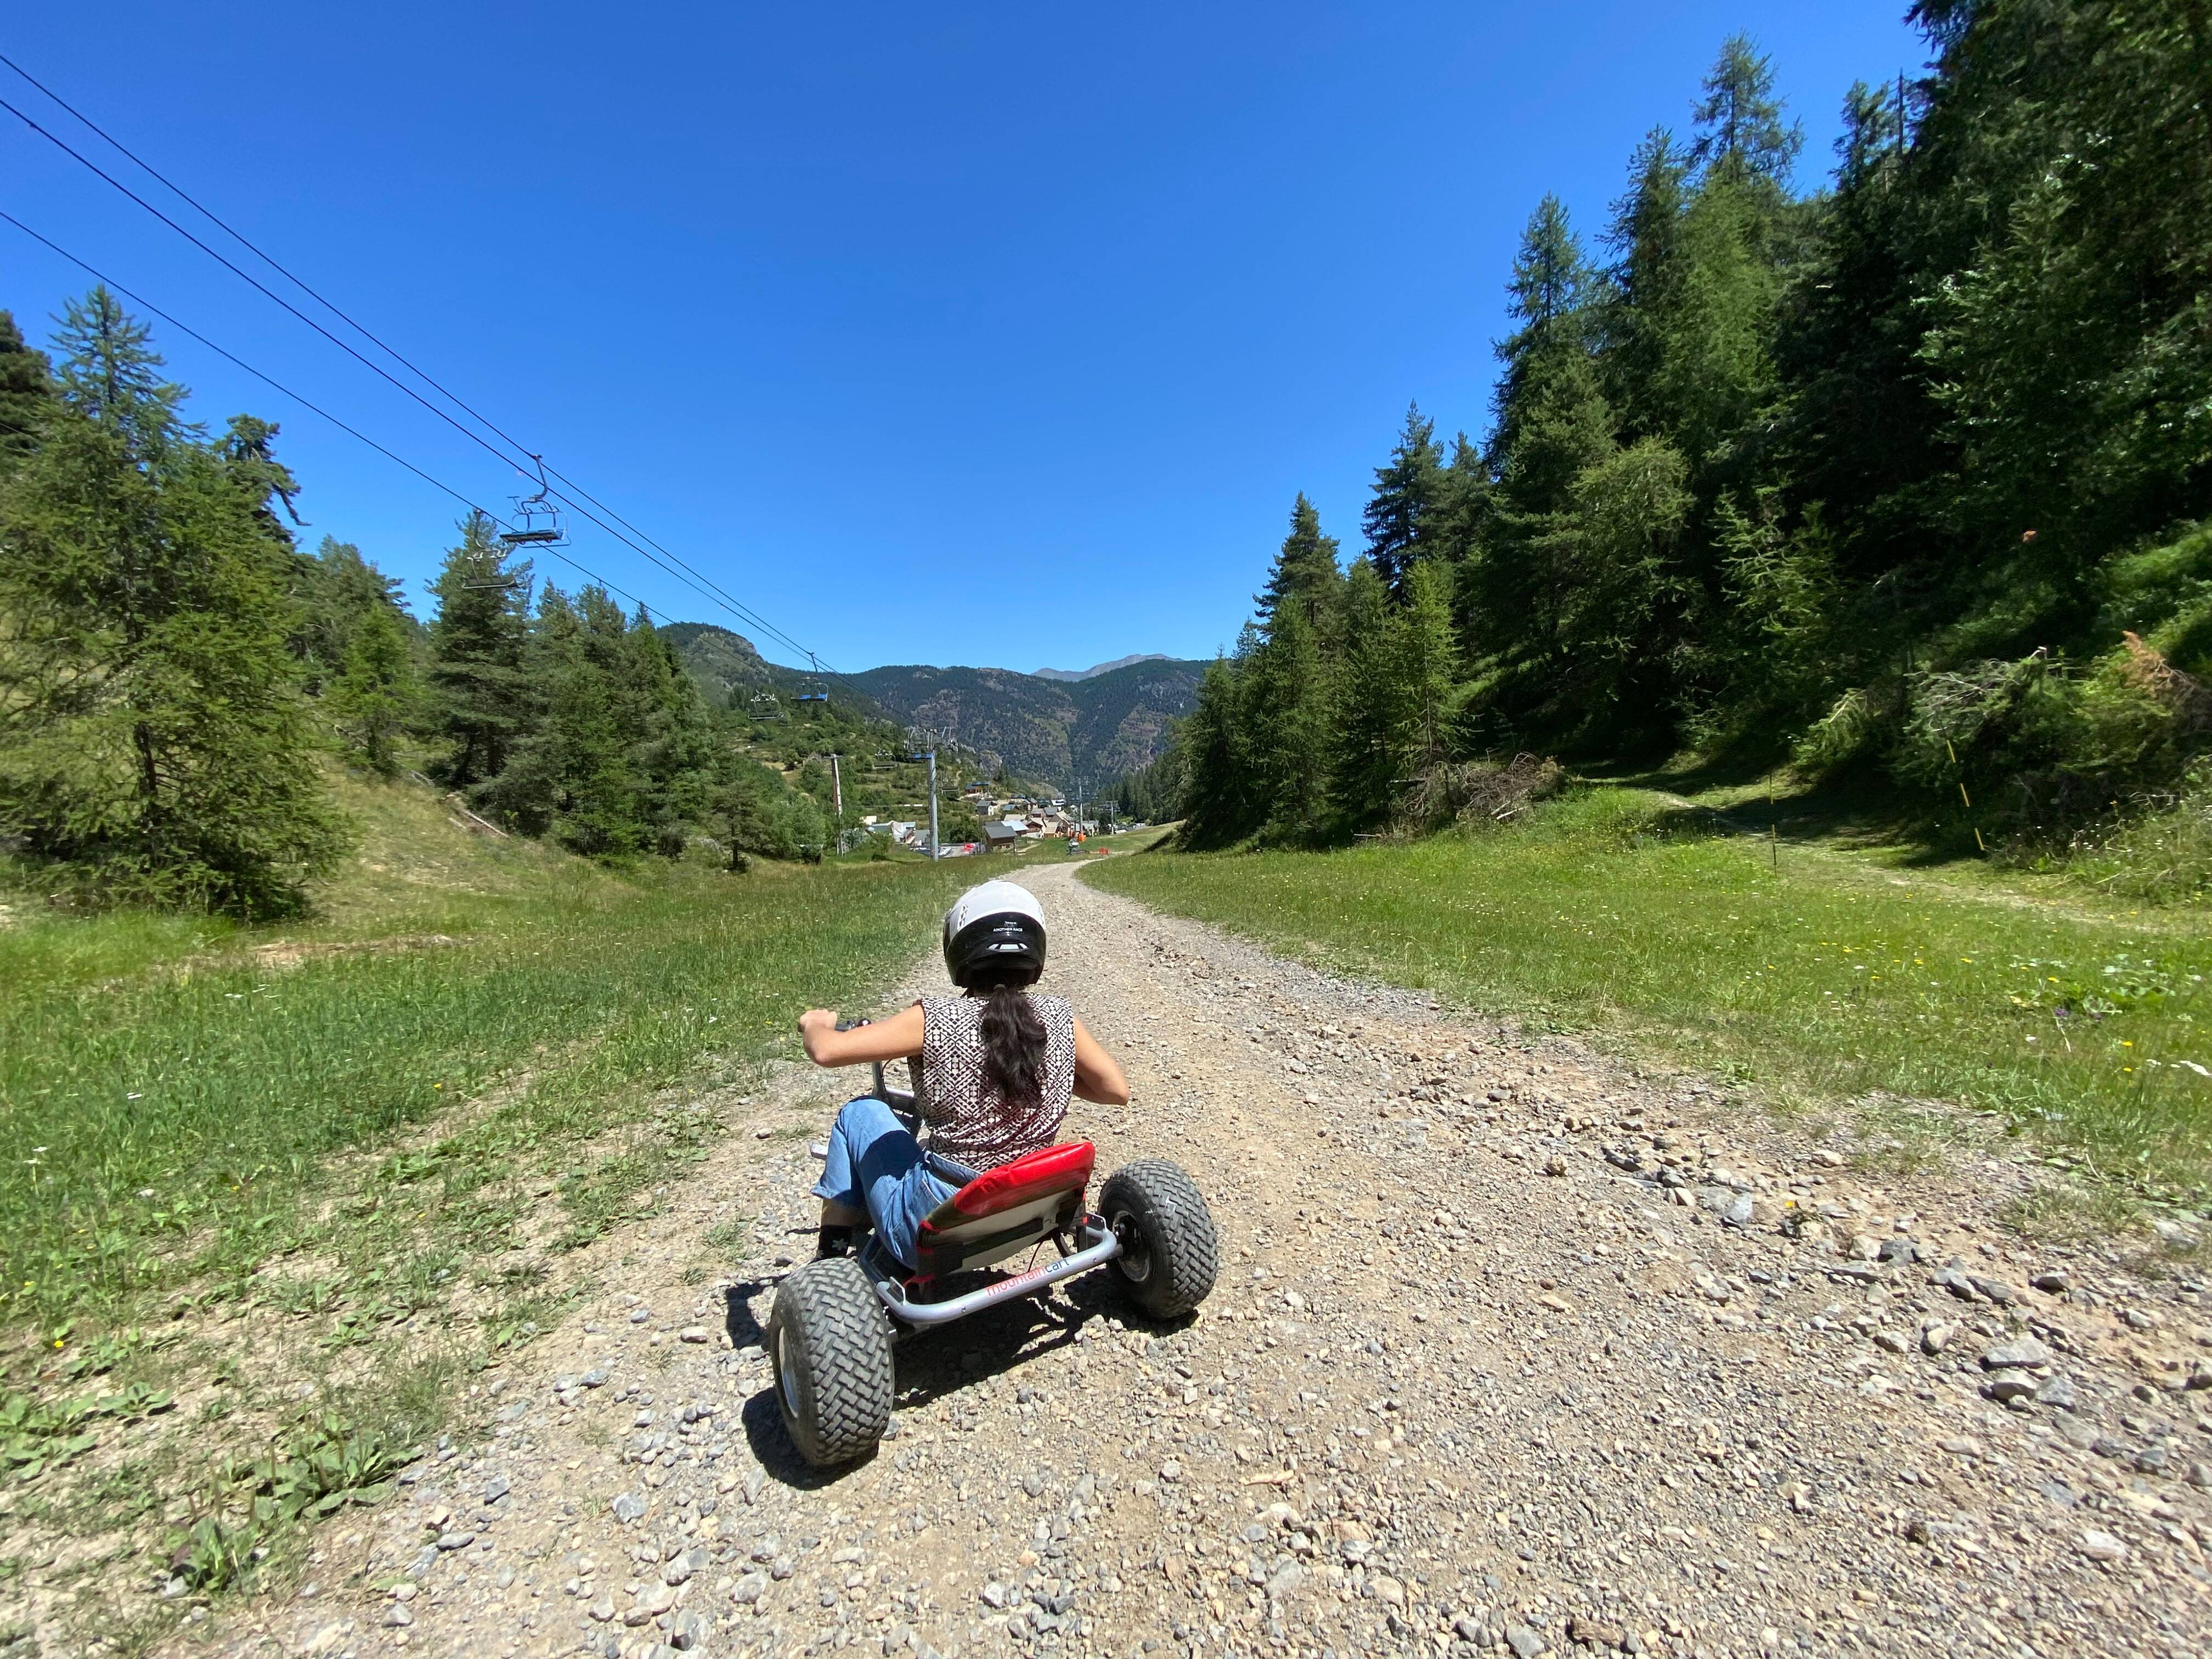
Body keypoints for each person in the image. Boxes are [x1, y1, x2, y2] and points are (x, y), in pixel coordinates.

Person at [795, 879, 1130, 1267]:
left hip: (941, 1221)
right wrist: (1043, 1072)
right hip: (1033, 1207)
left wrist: (818, 1022)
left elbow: (826, 1051)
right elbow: (1114, 1090)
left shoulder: (933, 1018)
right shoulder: (1058, 1016)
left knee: (860, 1114)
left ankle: (829, 1256)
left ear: (960, 949)